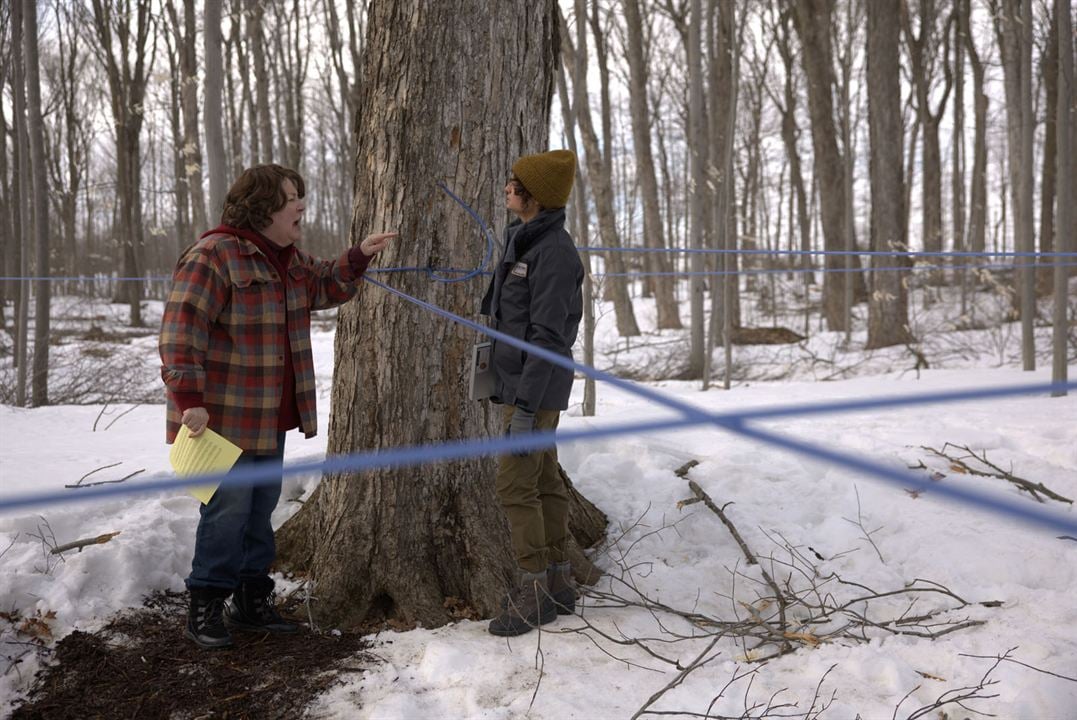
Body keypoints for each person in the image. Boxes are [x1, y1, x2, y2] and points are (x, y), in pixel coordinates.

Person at [159, 163, 395, 649]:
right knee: (226, 514)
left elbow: (326, 284)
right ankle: (205, 604)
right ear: (263, 206)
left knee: (260, 511)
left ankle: (251, 599)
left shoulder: (286, 258)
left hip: (269, 419)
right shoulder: (214, 255)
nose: (300, 205)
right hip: (220, 419)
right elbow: (181, 332)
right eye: (293, 197)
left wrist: (358, 256)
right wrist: (188, 400)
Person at [480, 149, 584, 636]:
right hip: (523, 385)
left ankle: (535, 591)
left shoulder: (555, 253)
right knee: (542, 480)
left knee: (515, 485)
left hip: (534, 390)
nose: (506, 188)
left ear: (533, 196)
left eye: (513, 183)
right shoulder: (524, 242)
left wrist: (524, 406)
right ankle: (559, 583)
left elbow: (547, 336)